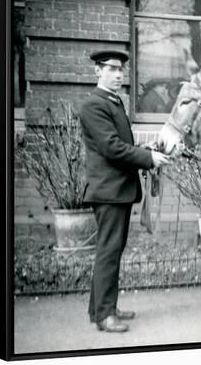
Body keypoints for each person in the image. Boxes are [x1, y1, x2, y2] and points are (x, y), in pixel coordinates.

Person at [79, 50, 171, 333]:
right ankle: (106, 316)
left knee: (111, 250)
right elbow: (111, 148)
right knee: (109, 252)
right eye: (112, 69)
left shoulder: (112, 102)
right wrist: (148, 159)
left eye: (121, 70)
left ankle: (101, 309)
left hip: (115, 190)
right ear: (98, 71)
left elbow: (120, 144)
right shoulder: (95, 105)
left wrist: (148, 151)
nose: (119, 74)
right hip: (108, 191)